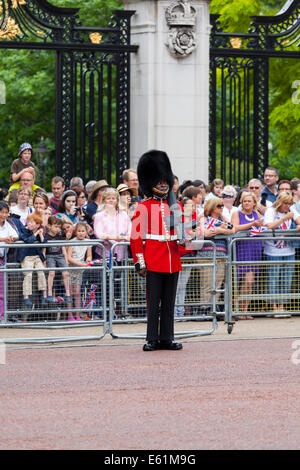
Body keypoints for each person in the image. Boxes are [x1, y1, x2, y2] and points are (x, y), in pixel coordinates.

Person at [130, 149, 183, 351]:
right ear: (151, 182)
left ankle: (166, 338)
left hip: (173, 259)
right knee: (154, 303)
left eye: (165, 180)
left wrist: (188, 238)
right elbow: (135, 238)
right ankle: (151, 338)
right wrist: (140, 262)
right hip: (153, 259)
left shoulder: (175, 206)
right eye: (159, 180)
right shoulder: (144, 207)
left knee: (169, 303)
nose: (163, 183)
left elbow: (182, 236)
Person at [263, 192, 300, 315]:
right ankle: (273, 306)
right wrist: (284, 218)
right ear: (279, 202)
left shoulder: (291, 210)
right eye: (285, 203)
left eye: (289, 203)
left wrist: (297, 226)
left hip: (289, 249)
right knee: (273, 279)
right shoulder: (271, 211)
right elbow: (269, 226)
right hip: (273, 251)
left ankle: (282, 306)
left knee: (286, 279)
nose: (287, 206)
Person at [198, 196, 235, 314]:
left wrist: (219, 231)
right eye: (219, 206)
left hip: (221, 254)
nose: (222, 208)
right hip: (206, 255)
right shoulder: (204, 218)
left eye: (222, 205)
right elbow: (205, 232)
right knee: (207, 283)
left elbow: (232, 229)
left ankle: (214, 308)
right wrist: (220, 229)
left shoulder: (222, 218)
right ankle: (205, 308)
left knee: (218, 284)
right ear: (212, 207)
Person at [231, 192, 264, 319]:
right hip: (243, 248)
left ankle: (245, 309)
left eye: (249, 201)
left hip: (255, 247)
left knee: (251, 281)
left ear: (254, 203)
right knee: (247, 279)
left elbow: (262, 225)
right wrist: (251, 225)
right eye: (244, 201)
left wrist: (261, 225)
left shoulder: (257, 214)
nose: (246, 203)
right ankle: (239, 308)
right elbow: (235, 227)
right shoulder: (237, 213)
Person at [17, 212, 48, 315]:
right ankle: (26, 297)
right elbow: (27, 240)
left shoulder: (39, 232)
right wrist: (35, 234)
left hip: (37, 256)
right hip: (27, 257)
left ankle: (44, 295)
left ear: (38, 225)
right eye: (28, 222)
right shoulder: (24, 231)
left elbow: (44, 243)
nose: (29, 224)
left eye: (31, 222)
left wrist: (40, 234)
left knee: (41, 273)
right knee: (28, 274)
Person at [66, 222, 92, 321]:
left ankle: (77, 314)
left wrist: (88, 259)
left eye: (83, 231)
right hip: (71, 269)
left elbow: (89, 255)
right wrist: (80, 264)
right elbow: (68, 257)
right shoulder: (72, 242)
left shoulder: (88, 242)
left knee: (77, 292)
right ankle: (70, 315)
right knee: (70, 292)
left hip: (79, 271)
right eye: (79, 231)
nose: (81, 233)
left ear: (86, 232)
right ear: (75, 232)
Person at [44, 216, 72, 305]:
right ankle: (49, 293)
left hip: (60, 255)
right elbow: (44, 250)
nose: (57, 229)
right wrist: (44, 261)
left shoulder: (59, 236)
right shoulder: (46, 236)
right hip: (50, 256)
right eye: (55, 227)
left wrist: (66, 260)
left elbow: (63, 247)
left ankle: (68, 293)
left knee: (66, 273)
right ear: (49, 226)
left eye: (59, 227)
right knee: (51, 273)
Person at [0, 201, 19, 320]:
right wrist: (3, 239)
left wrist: (12, 238)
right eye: (2, 212)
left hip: (2, 260)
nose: (4, 215)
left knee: (2, 290)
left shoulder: (7, 224)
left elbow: (16, 235)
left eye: (6, 212)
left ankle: (2, 315)